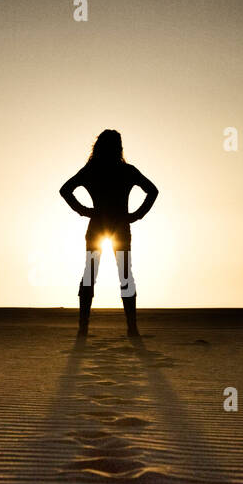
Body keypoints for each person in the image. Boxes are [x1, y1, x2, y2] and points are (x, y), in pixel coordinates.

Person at [59, 130, 158, 336]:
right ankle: (131, 327)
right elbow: (152, 191)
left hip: (100, 227)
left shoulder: (93, 170)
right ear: (118, 147)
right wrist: (136, 215)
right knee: (123, 275)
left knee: (92, 274)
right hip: (119, 228)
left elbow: (65, 190)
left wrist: (86, 211)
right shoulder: (125, 170)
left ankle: (83, 328)